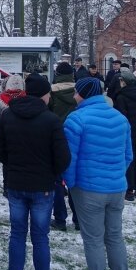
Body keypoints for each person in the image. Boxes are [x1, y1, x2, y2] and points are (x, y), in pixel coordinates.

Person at [0, 73, 70, 270]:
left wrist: (12, 164)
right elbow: (63, 157)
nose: (50, 98)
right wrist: (51, 172)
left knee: (17, 234)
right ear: (43, 95)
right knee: (40, 237)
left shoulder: (9, 115)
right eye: (48, 94)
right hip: (41, 185)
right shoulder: (51, 120)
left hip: (18, 183)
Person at [64, 77, 132, 270]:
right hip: (117, 187)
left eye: (76, 92)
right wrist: (117, 175)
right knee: (114, 236)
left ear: (83, 94)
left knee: (93, 239)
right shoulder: (120, 118)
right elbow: (128, 155)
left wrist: (70, 183)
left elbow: (70, 157)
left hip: (88, 188)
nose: (74, 96)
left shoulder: (76, 119)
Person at [48, 61, 78, 231]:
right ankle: (79, 219)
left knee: (57, 181)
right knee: (75, 180)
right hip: (77, 137)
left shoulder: (52, 91)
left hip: (57, 137)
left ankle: (60, 218)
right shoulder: (78, 91)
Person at [112, 70, 136, 201]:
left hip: (128, 134)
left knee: (128, 161)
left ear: (125, 82)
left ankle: (129, 189)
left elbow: (122, 117)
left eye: (121, 81)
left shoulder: (121, 97)